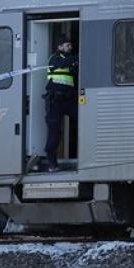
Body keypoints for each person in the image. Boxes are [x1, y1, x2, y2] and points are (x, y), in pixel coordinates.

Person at [42, 39, 78, 171]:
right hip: (55, 101)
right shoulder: (55, 58)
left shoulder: (71, 62)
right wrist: (76, 58)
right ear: (60, 46)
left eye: (70, 45)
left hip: (68, 101)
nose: (70, 47)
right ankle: (52, 163)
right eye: (67, 45)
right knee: (54, 132)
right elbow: (61, 64)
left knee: (83, 119)